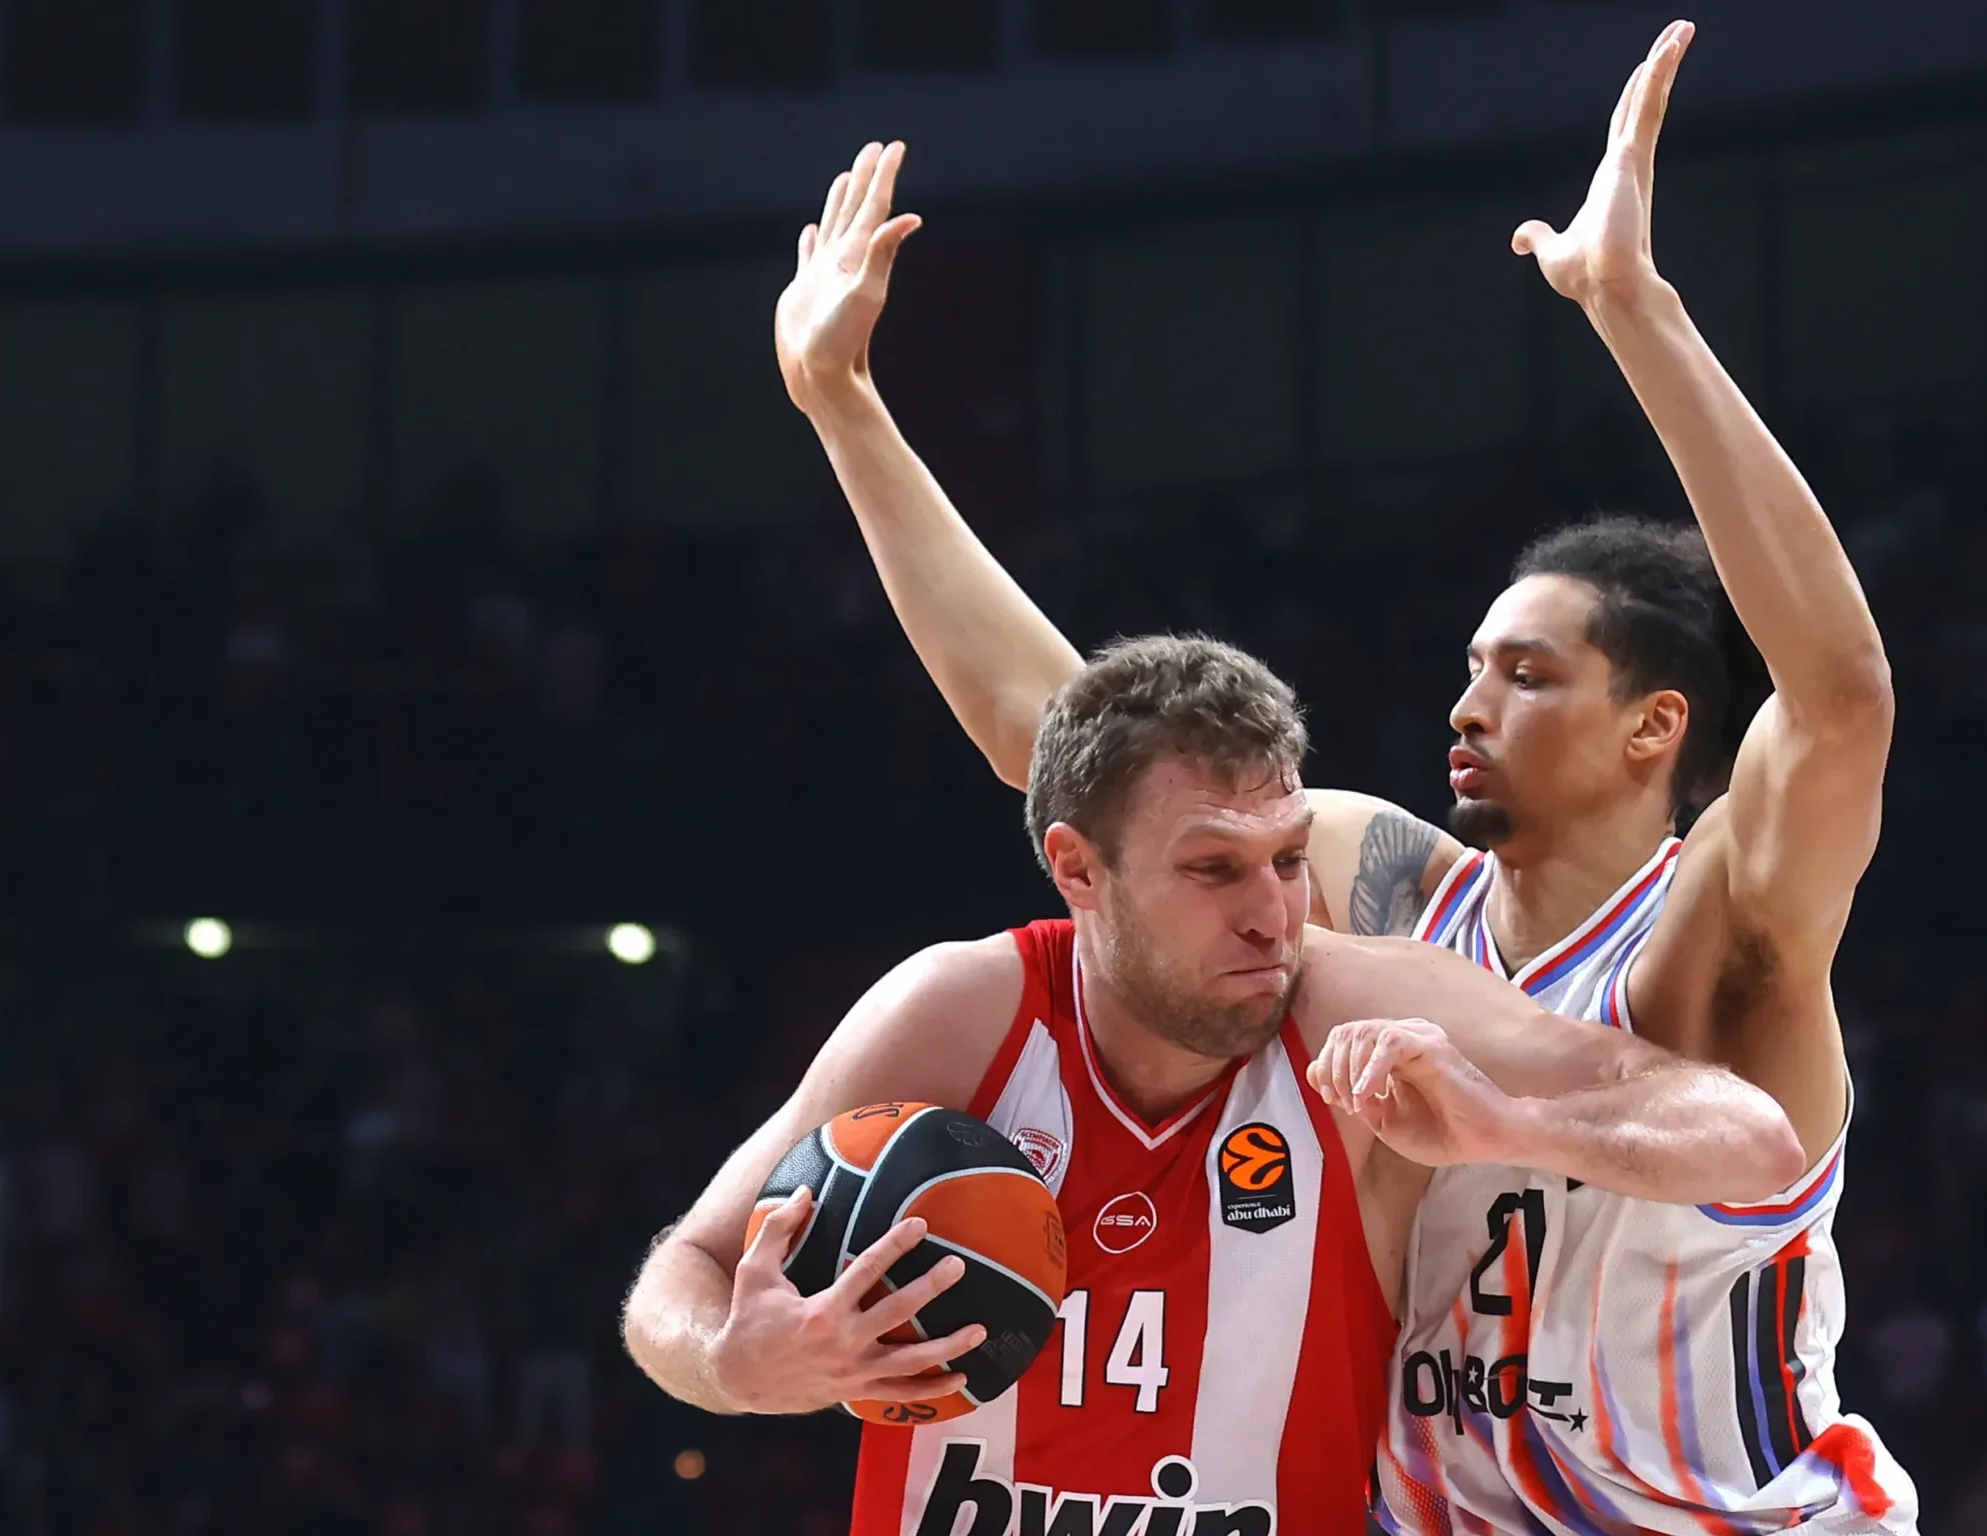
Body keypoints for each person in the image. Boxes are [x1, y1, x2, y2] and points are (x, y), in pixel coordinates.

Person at [777, 20, 1918, 1532]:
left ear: (1655, 729)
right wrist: (844, 408)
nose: (1468, 702)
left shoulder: (1712, 945)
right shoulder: (1390, 901)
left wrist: (1633, 310)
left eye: (1528, 675)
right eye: (1471, 665)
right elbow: (1061, 740)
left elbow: (1839, 700)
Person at [621, 632, 1802, 1535]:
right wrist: (732, 1363)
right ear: (1078, 869)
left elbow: (1752, 1138)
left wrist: (1517, 1125)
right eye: (1212, 869)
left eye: (1288, 858)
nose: (1272, 915)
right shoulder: (960, 1017)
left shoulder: (1361, 1009)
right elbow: (686, 1273)